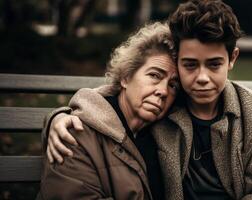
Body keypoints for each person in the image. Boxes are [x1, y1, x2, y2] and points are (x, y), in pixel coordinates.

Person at [41, 0, 252, 199]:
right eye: (190, 65)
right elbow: (104, 104)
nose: (202, 78)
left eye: (214, 64)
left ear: (232, 58)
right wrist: (60, 116)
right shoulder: (163, 111)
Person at [38, 22, 180, 199]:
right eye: (154, 75)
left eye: (173, 85)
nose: (164, 91)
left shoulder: (167, 135)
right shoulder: (73, 134)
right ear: (126, 77)